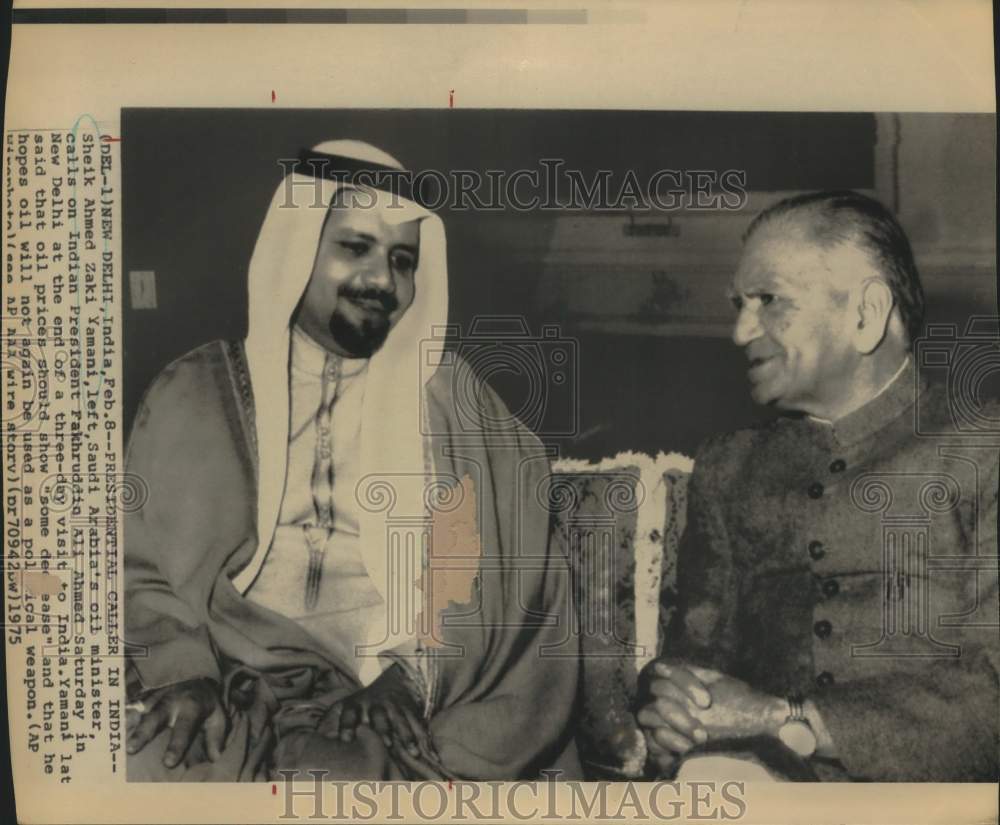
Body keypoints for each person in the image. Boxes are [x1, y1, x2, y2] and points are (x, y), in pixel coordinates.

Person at [124, 139, 578, 781]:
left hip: (386, 699)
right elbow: (140, 567)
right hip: (230, 679)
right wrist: (183, 673)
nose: (382, 282)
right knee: (134, 767)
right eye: (354, 247)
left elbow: (509, 580)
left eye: (401, 260)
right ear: (297, 245)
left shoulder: (457, 405)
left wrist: (413, 676)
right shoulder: (196, 392)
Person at [637, 190, 999, 781]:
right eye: (738, 303)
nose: (738, 331)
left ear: (866, 312)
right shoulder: (730, 465)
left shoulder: (985, 448)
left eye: (768, 300)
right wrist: (668, 708)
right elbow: (693, 661)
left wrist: (783, 718)